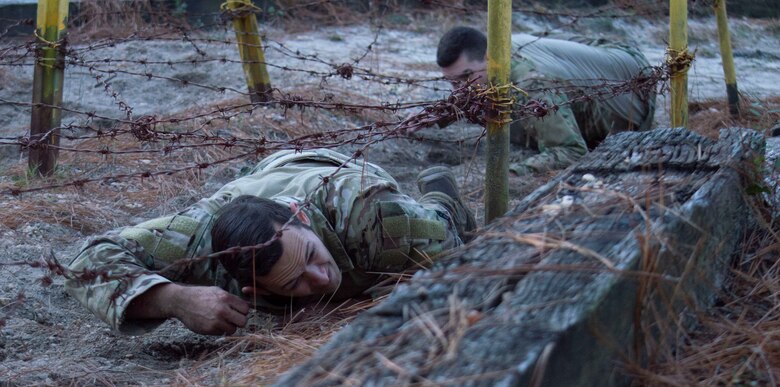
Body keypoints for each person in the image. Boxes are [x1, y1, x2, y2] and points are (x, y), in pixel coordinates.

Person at [65, 148, 476, 336]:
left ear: (301, 221)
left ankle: (439, 189)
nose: (321, 277)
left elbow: (463, 261)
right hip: (253, 185)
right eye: (295, 282)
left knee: (450, 227)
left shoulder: (376, 220)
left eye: (312, 256)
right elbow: (87, 261)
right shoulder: (197, 243)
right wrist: (174, 299)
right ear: (253, 290)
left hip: (316, 167)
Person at [435, 26, 656, 175]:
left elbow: (571, 152)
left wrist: (510, 173)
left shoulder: (531, 84)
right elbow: (463, 94)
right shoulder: (491, 56)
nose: (460, 90)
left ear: (488, 57)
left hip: (633, 85)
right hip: (580, 59)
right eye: (452, 82)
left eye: (466, 77)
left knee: (521, 122)